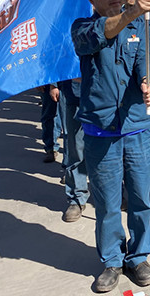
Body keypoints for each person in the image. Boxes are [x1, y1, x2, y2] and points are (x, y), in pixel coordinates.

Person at [71, 0, 150, 293]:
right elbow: (101, 34)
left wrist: (149, 83)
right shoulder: (82, 27)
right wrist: (132, 12)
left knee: (140, 197)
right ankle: (112, 260)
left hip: (137, 125)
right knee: (107, 201)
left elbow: (146, 63)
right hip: (101, 128)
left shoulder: (140, 27)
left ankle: (138, 255)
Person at [52, 79, 89, 223]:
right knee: (75, 148)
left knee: (108, 151)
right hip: (74, 92)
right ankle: (77, 198)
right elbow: (54, 63)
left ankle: (114, 194)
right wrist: (53, 84)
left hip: (107, 93)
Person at [38, 84, 61, 162]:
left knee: (68, 118)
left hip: (69, 82)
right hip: (47, 81)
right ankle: (51, 148)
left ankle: (70, 154)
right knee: (49, 114)